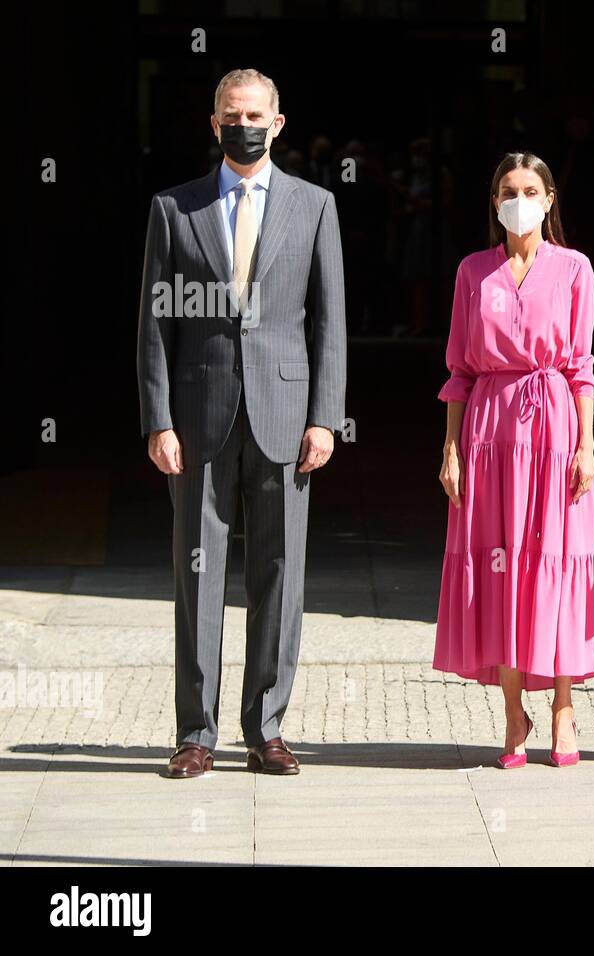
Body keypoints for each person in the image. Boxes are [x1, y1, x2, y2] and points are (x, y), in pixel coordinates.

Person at [136, 68, 347, 778]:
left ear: (278, 123)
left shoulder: (315, 206)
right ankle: (196, 732)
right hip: (198, 418)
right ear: (214, 121)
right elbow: (155, 325)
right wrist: (157, 418)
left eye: (256, 113)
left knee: (279, 573)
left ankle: (268, 728)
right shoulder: (176, 208)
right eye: (232, 113)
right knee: (196, 575)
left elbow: (330, 323)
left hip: (287, 416)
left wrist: (326, 418)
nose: (244, 124)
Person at [435, 152, 594, 769]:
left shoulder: (574, 269)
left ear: (549, 198)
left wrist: (588, 448)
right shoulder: (471, 272)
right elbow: (458, 370)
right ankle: (514, 709)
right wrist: (451, 449)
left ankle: (563, 703)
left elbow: (582, 367)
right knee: (500, 564)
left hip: (556, 426)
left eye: (530, 189)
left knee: (555, 563)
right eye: (508, 189)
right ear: (494, 201)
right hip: (488, 426)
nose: (519, 198)